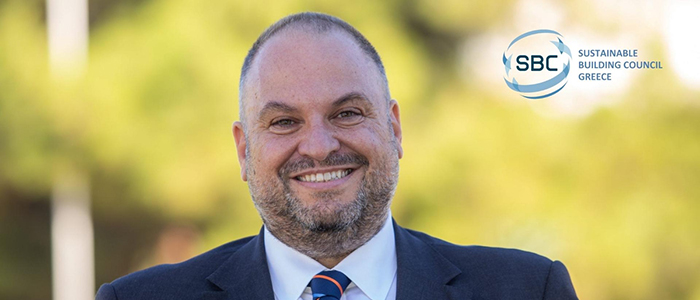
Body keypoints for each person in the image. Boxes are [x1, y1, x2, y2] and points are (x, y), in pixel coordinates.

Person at [96, 12, 578, 300]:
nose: (320, 146)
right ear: (244, 150)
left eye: (347, 113)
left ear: (393, 127)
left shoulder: (527, 290)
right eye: (284, 122)